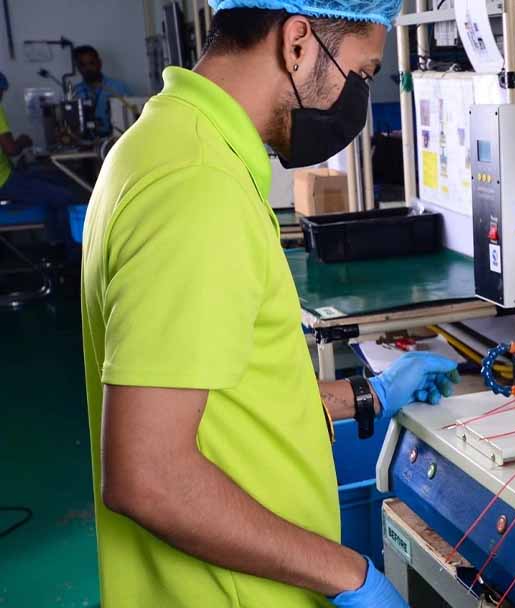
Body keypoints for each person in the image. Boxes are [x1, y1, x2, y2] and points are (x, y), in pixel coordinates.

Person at [80, 2, 445, 607]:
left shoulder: (164, 144)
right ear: (298, 42)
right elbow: (149, 478)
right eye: (361, 72)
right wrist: (351, 575)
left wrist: (366, 395)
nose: (358, 97)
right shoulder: (197, 186)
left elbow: (213, 395)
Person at [0, 71, 79, 242]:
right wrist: (23, 141)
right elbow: (11, 149)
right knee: (65, 196)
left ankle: (54, 241)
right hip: (4, 182)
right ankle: (70, 255)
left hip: (7, 175)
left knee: (56, 180)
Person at [72, 45, 133, 136]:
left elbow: (132, 115)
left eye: (91, 63)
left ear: (99, 63)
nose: (88, 68)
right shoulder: (75, 92)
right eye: (82, 65)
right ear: (78, 68)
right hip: (85, 142)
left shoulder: (118, 87)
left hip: (116, 139)